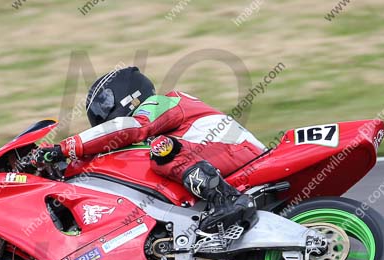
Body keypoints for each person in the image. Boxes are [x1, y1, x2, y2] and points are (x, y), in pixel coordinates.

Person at [33, 66, 264, 233]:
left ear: (128, 96)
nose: (101, 115)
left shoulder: (161, 103)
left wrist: (63, 149)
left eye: (104, 104)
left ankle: (229, 200)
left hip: (236, 150)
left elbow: (130, 127)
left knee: (163, 150)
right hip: (225, 155)